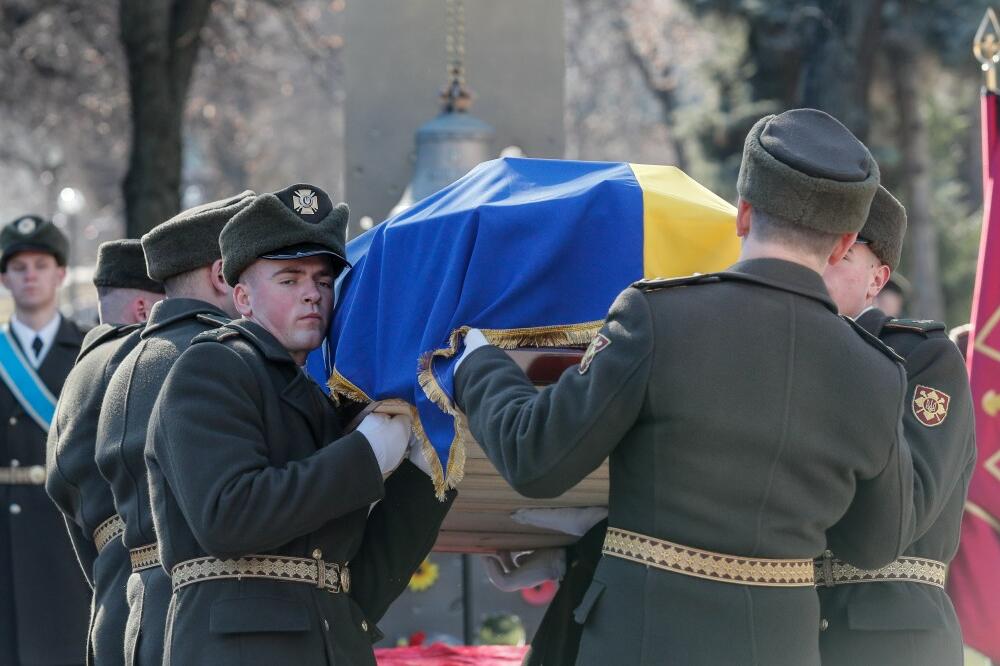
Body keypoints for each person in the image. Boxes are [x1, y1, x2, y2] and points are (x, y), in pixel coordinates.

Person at [452, 108, 916, 665]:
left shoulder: (657, 317)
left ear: (743, 214)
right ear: (843, 245)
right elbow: (877, 544)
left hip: (643, 643)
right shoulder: (877, 372)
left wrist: (478, 364)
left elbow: (536, 457)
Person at [145, 184, 455, 665]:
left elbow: (359, 574)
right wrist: (366, 456)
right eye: (289, 280)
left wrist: (425, 472)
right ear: (242, 296)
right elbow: (229, 516)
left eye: (324, 281)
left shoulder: (318, 395)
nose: (312, 294)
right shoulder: (210, 367)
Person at [94, 191, 254, 665]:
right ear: (223, 274)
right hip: (220, 620)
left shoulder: (118, 364)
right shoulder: (218, 357)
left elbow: (91, 515)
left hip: (132, 609)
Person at [818, 186, 975, 666]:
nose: (817, 262)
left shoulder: (922, 358)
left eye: (841, 251)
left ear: (877, 278)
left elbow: (908, 506)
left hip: (892, 636)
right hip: (789, 623)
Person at [46, 239, 165, 664]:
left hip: (114, 603)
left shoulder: (80, 376)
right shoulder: (146, 363)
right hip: (159, 609)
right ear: (143, 312)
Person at [0, 215, 90, 665]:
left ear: (59, 273)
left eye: (40, 264)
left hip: (68, 528)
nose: (30, 275)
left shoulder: (89, 350)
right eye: (19, 267)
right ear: (4, 279)